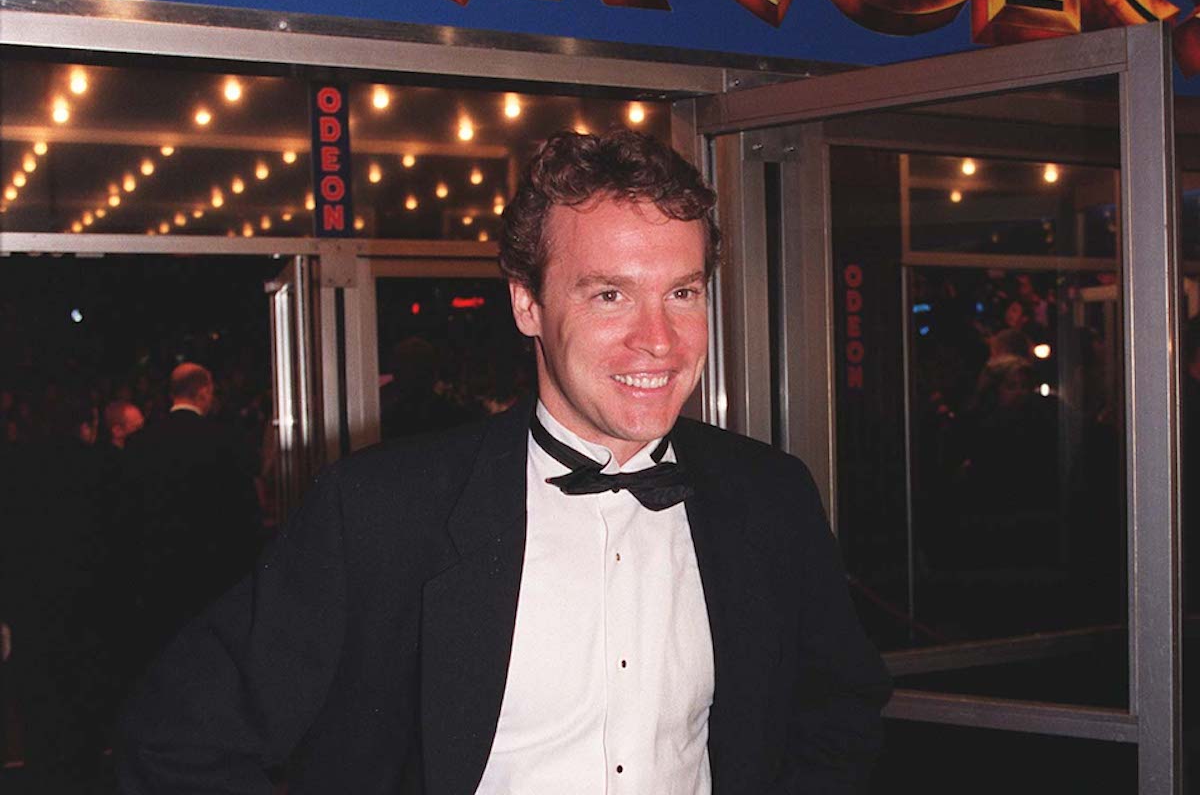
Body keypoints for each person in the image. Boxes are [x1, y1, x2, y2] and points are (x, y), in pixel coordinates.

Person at [117, 131, 891, 794]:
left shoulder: (769, 496)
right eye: (609, 296)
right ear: (527, 303)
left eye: (682, 293)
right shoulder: (382, 511)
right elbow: (179, 739)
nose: (658, 340)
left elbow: (838, 710)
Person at [1, 395, 116, 793]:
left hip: (34, 610)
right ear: (89, 422)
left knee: (39, 720)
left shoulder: (16, 466)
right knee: (85, 722)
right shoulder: (101, 466)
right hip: (89, 610)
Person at [122, 363, 263, 666]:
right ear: (204, 391)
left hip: (156, 573)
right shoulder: (223, 440)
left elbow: (127, 513)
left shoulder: (140, 444)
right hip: (211, 571)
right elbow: (244, 514)